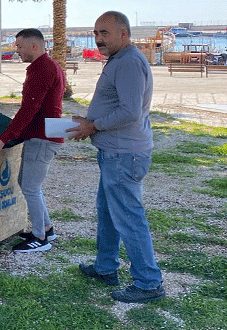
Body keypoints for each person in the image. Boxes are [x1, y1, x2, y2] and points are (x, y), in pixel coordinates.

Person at [67, 11, 165, 303]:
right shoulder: (120, 60)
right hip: (114, 153)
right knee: (109, 213)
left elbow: (130, 111)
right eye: (96, 33)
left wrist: (93, 125)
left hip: (124, 155)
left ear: (124, 34)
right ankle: (106, 267)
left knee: (130, 219)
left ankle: (149, 283)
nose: (98, 39)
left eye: (105, 33)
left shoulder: (130, 63)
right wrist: (89, 119)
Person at [0, 28, 65, 253]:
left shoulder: (42, 69)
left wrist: (4, 138)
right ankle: (47, 228)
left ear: (34, 46)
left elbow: (29, 109)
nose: (17, 50)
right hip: (44, 135)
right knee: (29, 186)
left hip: (42, 137)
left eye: (19, 46)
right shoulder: (50, 65)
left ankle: (40, 238)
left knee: (31, 188)